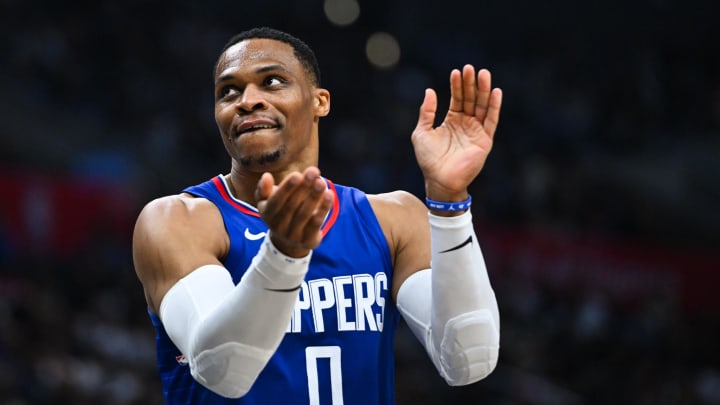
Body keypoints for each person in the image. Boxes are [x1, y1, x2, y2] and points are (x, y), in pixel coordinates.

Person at [132, 26, 502, 405]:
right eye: (229, 91)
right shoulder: (177, 221)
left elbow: (469, 360)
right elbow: (222, 369)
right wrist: (283, 256)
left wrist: (450, 201)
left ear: (319, 102)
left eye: (272, 82)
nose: (247, 101)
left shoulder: (393, 219)